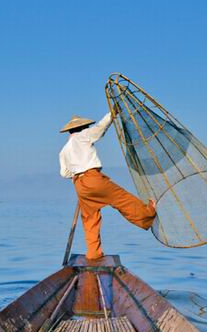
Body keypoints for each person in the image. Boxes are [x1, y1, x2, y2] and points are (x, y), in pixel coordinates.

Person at [59, 110, 157, 260]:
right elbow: (100, 129)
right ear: (82, 128)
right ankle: (148, 214)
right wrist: (112, 114)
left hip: (79, 184)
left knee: (89, 218)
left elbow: (64, 173)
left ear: (70, 131)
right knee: (121, 198)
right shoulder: (83, 136)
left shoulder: (64, 150)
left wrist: (76, 172)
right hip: (93, 178)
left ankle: (93, 253)